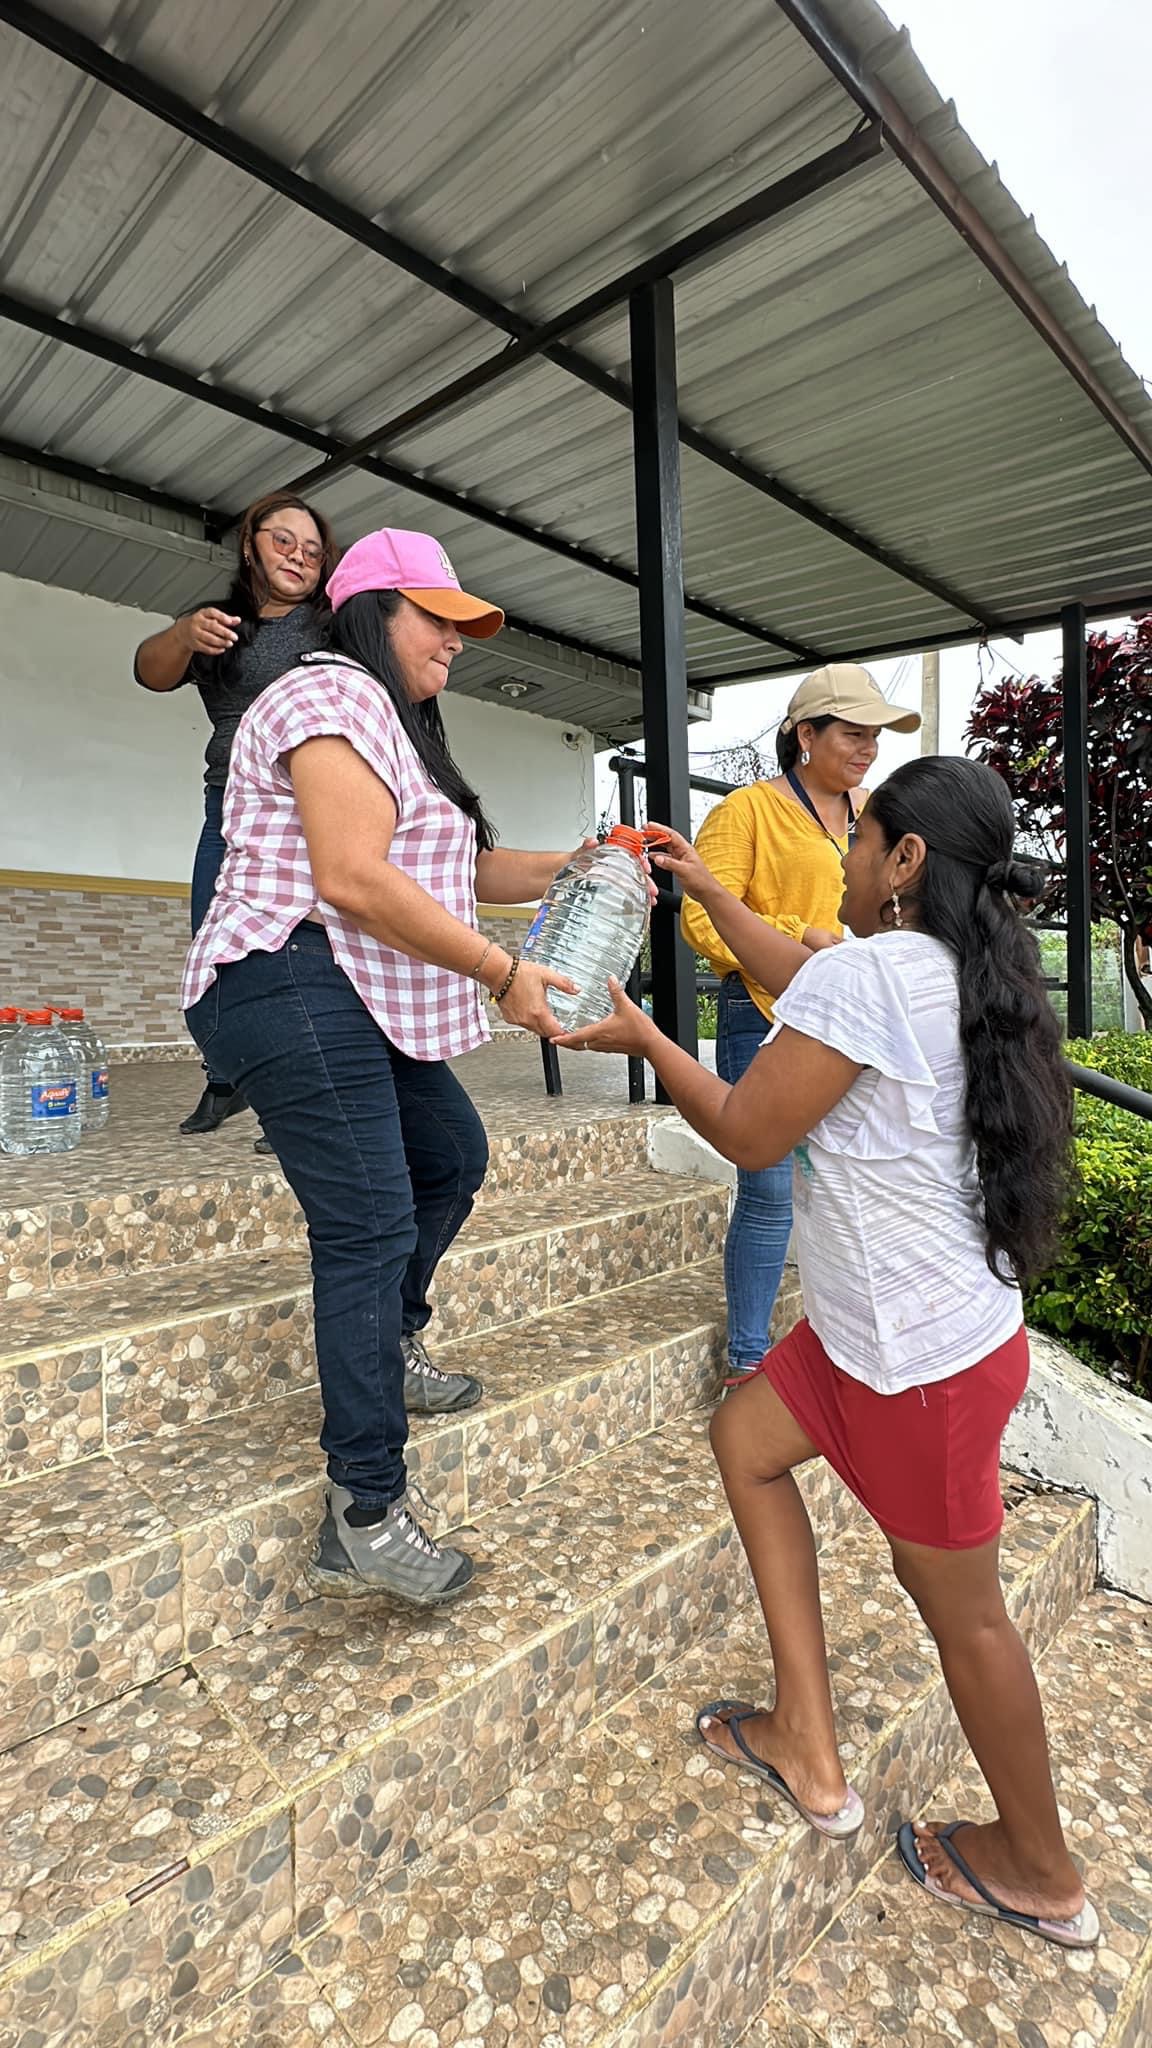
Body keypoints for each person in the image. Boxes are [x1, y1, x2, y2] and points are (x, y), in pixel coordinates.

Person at [557, 757, 1097, 1951]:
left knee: (966, 1616)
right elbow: (809, 980)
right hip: (892, 1335)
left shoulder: (874, 974)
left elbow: (751, 1130)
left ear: (905, 860)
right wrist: (710, 890)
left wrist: (641, 1031)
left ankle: (1043, 1869)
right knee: (745, 1440)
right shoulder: (951, 966)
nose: (840, 853)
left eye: (860, 838)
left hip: (917, 1366)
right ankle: (805, 1735)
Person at [182, 527, 582, 1607]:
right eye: (437, 618)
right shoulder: (331, 691)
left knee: (450, 1157)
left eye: (462, 626)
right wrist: (504, 971)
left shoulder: (397, 728)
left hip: (348, 984)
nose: (456, 641)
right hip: (284, 971)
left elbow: (468, 866)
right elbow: (353, 878)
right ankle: (363, 1507)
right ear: (372, 612)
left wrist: (588, 857)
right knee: (367, 1223)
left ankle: (390, 1340)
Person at [682, 664, 919, 1384]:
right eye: (853, 733)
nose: (869, 748)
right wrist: (806, 938)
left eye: (875, 735)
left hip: (855, 1022)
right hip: (763, 1013)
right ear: (804, 735)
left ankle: (843, 1352)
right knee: (768, 1190)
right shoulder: (747, 810)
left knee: (845, 1183)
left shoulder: (875, 814)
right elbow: (703, 917)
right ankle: (748, 1360)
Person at [136, 491, 338, 1143]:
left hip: (311, 809)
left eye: (312, 551)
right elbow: (149, 674)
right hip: (227, 806)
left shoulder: (332, 625)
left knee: (305, 951)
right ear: (250, 545)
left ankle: (297, 1096)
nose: (298, 557)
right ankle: (225, 1081)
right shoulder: (219, 624)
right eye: (284, 541)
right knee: (214, 942)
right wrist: (180, 633)